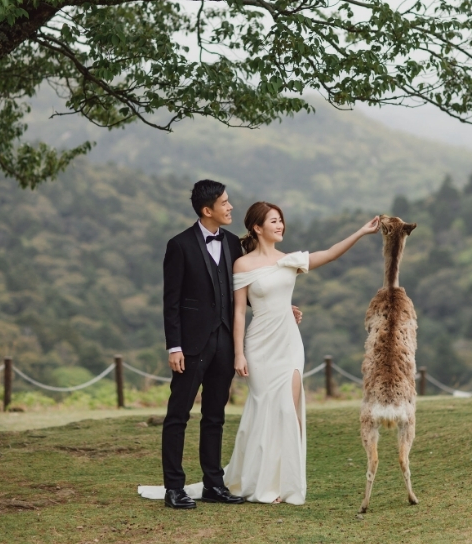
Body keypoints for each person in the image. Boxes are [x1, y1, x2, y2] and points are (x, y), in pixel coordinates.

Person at [139, 180, 301, 509]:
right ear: (206, 210)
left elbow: (242, 291)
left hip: (225, 343)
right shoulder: (179, 245)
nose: (230, 208)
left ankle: (214, 484)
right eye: (224, 203)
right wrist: (175, 347)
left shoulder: (231, 243)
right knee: (178, 415)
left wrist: (280, 308)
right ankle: (174, 488)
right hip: (191, 346)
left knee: (215, 416)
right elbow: (170, 302)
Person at [221, 201, 382, 504]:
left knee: (289, 407)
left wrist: (361, 232)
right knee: (263, 407)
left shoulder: (290, 259)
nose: (280, 225)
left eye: (281, 220)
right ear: (257, 228)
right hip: (259, 344)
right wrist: (238, 354)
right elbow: (239, 312)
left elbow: (330, 253)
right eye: (273, 221)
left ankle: (286, 482)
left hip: (289, 343)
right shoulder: (242, 265)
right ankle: (259, 479)